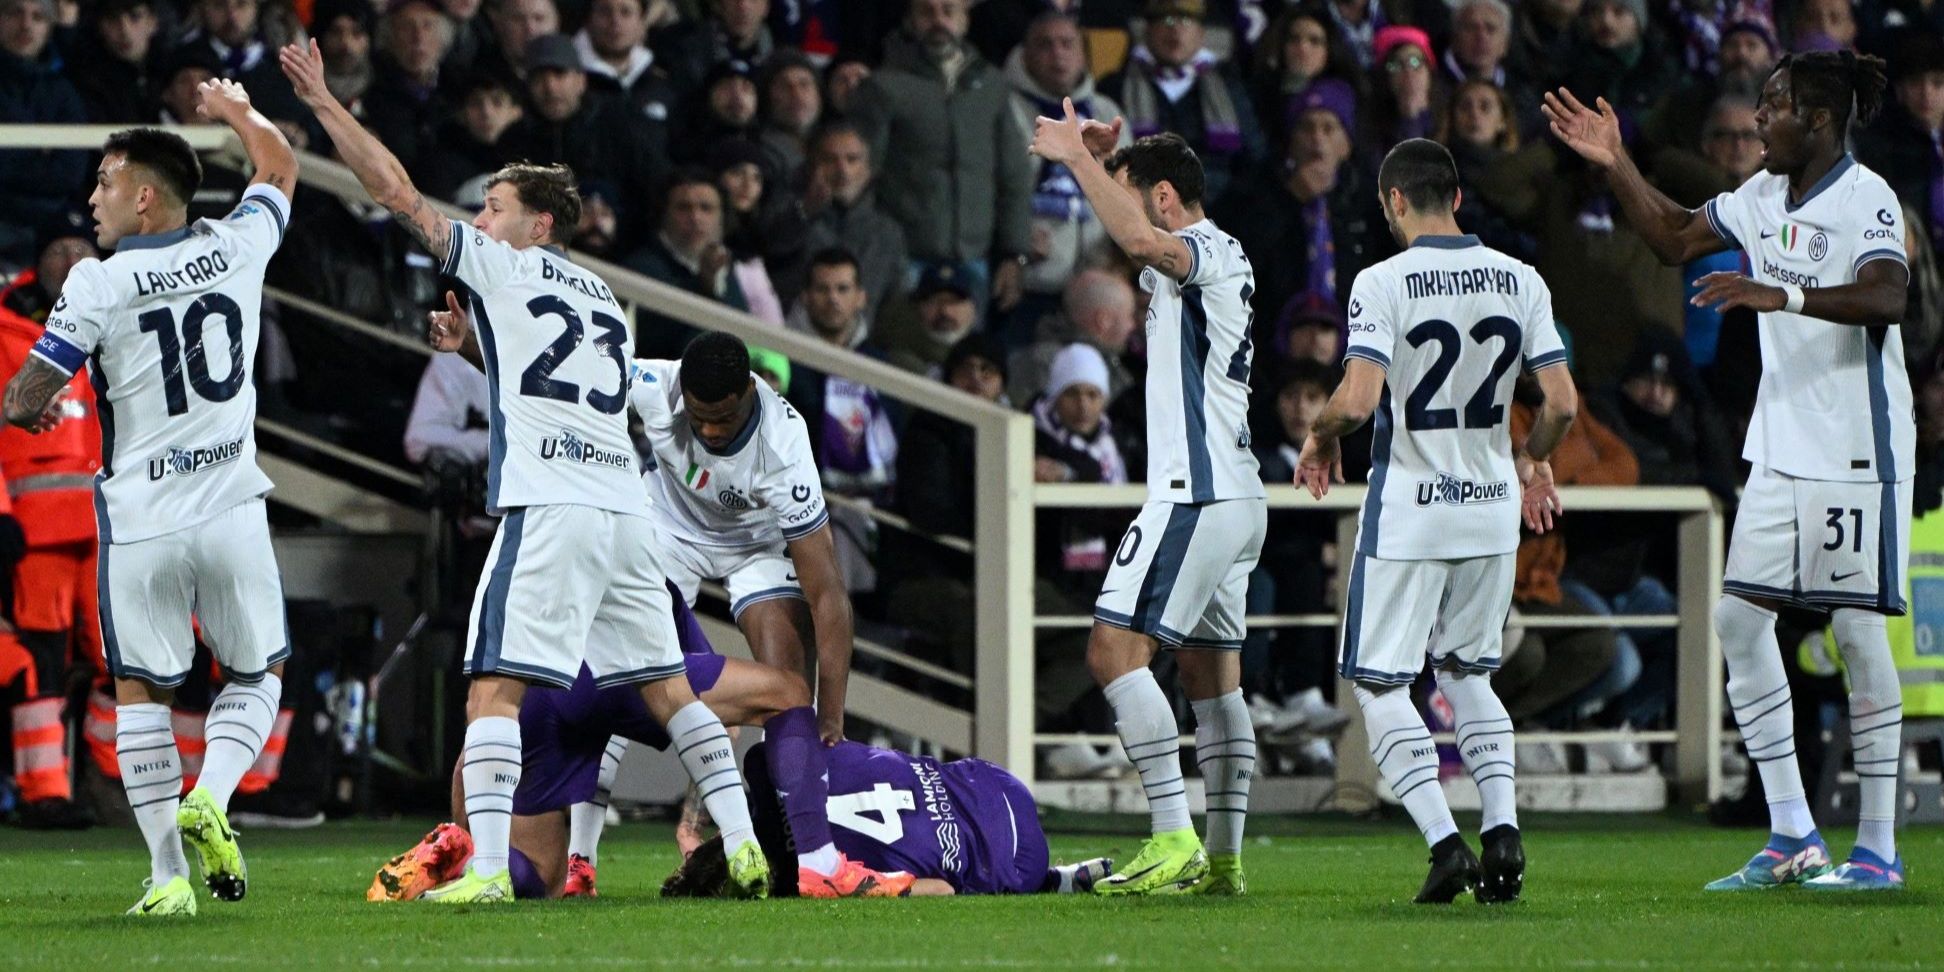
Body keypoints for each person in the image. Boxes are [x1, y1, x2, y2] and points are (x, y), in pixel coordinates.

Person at [281, 38, 769, 903]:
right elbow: (571, 395)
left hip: (549, 506)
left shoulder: (502, 269)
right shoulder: (604, 306)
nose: (478, 219)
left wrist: (324, 105)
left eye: (493, 207)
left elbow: (394, 191)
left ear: (536, 226)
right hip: (624, 514)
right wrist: (475, 349)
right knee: (668, 690)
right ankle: (741, 848)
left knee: (492, 693)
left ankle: (489, 877)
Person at [1545, 52, 1914, 891]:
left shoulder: (1868, 199)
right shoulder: (1758, 196)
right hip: (1780, 451)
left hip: (1856, 448)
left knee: (1855, 633)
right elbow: (1676, 237)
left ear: (1817, 119)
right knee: (1740, 624)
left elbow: (1887, 297)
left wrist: (1778, 296)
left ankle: (1879, 850)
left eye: (1774, 106)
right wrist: (1617, 163)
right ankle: (1792, 832)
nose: (1758, 120)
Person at [0, 84, 297, 915]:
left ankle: (168, 880)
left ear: (142, 193)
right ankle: (216, 794)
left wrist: (24, 400)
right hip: (233, 503)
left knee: (141, 695)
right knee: (258, 672)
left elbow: (29, 401)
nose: (90, 199)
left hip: (137, 523)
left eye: (103, 182)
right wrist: (238, 109)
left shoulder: (99, 280)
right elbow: (279, 165)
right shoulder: (241, 245)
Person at [1295, 138, 1576, 905]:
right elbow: (1562, 403)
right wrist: (1532, 460)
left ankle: (1445, 842)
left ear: (1393, 201)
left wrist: (1318, 437)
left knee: (1381, 685)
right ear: (1456, 197)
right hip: (1490, 511)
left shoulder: (1383, 281)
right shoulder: (1521, 279)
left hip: (1413, 512)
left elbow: (1356, 403)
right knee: (1469, 672)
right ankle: (1505, 827)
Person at [1028, 112, 1267, 895]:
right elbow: (1128, 237)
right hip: (1235, 497)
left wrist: (1072, 161)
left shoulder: (1195, 250)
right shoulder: (1216, 255)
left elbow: (1137, 240)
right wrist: (1104, 162)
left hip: (1194, 494)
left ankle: (1172, 837)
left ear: (1164, 197)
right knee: (1212, 678)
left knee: (1111, 653)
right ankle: (1224, 860)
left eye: (1135, 198)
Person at [369, 587, 912, 899]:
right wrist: (700, 813)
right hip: (622, 672)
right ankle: (815, 865)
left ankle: (459, 851)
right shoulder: (638, 524)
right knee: (788, 691)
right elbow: (709, 714)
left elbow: (486, 712)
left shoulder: (534, 532)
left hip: (545, 695)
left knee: (541, 878)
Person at [613, 332, 872, 895]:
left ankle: (811, 858)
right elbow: (548, 371)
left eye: (722, 419)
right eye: (699, 418)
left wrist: (833, 716)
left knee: (786, 690)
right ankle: (581, 856)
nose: (708, 431)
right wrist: (468, 346)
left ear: (749, 391)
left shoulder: (784, 446)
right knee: (619, 667)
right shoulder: (654, 383)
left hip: (756, 546)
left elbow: (829, 595)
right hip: (665, 529)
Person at [665, 739, 1114, 897]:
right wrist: (692, 823)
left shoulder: (808, 880)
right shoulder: (770, 765)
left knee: (955, 874)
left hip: (1018, 863)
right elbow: (714, 746)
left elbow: (940, 889)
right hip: (996, 782)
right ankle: (1058, 882)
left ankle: (1049, 881)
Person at [0, 216, 101, 830]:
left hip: (108, 522)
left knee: (125, 658)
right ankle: (46, 793)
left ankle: (116, 786)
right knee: (39, 657)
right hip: (35, 529)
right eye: (60, 246)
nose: (72, 254)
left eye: (81, 245)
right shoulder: (4, 328)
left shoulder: (111, 315)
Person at [852, 0, 1032, 317]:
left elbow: (1014, 174)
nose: (938, 21)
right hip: (904, 257)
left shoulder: (991, 85)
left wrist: (1013, 253)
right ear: (910, 21)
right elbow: (863, 174)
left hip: (975, 259)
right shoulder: (884, 86)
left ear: (965, 20)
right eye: (926, 11)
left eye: (948, 11)